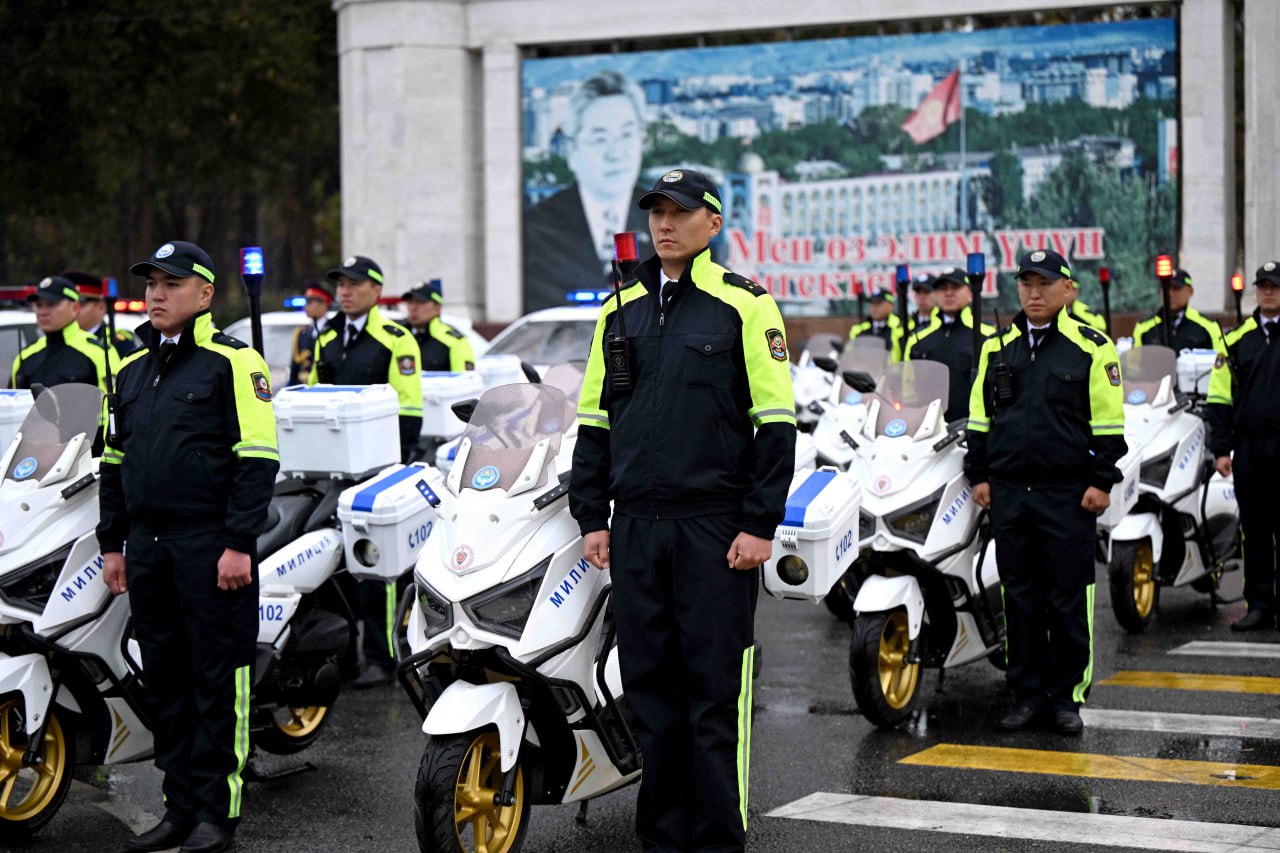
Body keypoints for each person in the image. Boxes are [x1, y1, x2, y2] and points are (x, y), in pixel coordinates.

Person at [570, 168, 795, 853]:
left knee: (713, 695)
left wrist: (759, 523)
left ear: (713, 223)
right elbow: (595, 421)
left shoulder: (746, 305)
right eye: (656, 213)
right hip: (637, 527)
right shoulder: (619, 308)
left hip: (714, 528)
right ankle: (663, 839)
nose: (665, 224)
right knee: (650, 693)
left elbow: (777, 423)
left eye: (680, 212)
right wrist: (593, 516)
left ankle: (720, 839)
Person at [98, 241, 278, 853]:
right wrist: (113, 543)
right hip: (148, 546)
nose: (156, 293)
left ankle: (216, 813)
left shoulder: (234, 361)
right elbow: (113, 462)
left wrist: (238, 542)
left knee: (217, 680)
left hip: (210, 544)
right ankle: (179, 808)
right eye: (151, 283)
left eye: (171, 284)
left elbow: (258, 458)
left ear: (204, 295)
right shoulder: (130, 369)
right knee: (166, 682)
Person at [965, 249, 1126, 736]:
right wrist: (979, 475)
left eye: (1045, 284)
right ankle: (1028, 695)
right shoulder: (997, 348)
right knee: (1020, 599)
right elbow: (980, 418)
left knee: (1068, 598)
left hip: (1067, 494)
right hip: (1011, 493)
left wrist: (1101, 480)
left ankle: (1066, 698)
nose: (1034, 293)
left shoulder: (1092, 347)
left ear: (1068, 289)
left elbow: (1109, 424)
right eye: (1026, 284)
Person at [310, 254, 423, 687]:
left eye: (354, 284)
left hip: (378, 471)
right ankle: (344, 655)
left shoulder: (394, 339)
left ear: (376, 291)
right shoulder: (326, 336)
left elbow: (408, 409)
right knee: (334, 566)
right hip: (334, 470)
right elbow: (314, 400)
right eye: (340, 284)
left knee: (376, 568)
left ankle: (382, 655)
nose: (344, 291)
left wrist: (393, 470)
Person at [523, 69, 653, 312]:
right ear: (572, 151)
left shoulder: (669, 219)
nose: (616, 153)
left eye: (626, 135)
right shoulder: (537, 229)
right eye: (600, 139)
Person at [1207, 260, 1280, 631]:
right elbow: (1219, 399)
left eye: (1274, 286)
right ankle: (1260, 606)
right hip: (1250, 449)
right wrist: (1221, 450)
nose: (1268, 292)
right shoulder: (1235, 340)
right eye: (1262, 286)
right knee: (1254, 530)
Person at [904, 267, 994, 423]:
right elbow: (908, 386)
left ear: (970, 292)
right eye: (943, 288)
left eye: (955, 287)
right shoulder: (917, 338)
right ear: (935, 294)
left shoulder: (988, 334)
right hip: (928, 427)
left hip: (973, 428)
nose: (948, 293)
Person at [10, 275, 119, 393]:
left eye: (51, 304)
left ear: (75, 308)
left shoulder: (100, 353)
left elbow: (111, 402)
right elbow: (16, 401)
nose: (43, 312)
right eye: (39, 305)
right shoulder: (25, 356)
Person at [1131, 268, 1226, 353]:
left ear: (1190, 291)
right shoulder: (1144, 327)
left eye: (1176, 289)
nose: (1170, 294)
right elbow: (1134, 364)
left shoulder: (1208, 326)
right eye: (1166, 288)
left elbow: (1220, 362)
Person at [63, 269, 142, 358]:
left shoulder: (118, 343)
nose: (74, 310)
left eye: (81, 305)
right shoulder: (61, 339)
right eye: (70, 305)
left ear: (101, 307)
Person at [401, 279, 476, 372]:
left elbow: (465, 379)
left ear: (437, 308)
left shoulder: (454, 342)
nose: (413, 307)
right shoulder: (397, 336)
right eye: (410, 302)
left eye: (420, 302)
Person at [288, 283, 332, 385]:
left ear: (324, 304)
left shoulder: (334, 330)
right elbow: (295, 368)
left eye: (310, 302)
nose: (306, 306)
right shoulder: (302, 333)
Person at [848, 288, 905, 362]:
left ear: (890, 305)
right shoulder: (859, 328)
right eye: (872, 303)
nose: (874, 307)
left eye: (878, 303)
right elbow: (849, 355)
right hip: (865, 368)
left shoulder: (900, 327)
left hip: (892, 369)